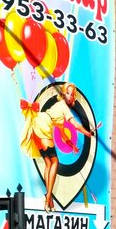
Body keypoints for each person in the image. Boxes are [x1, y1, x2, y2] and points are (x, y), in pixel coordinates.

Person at [20, 83, 97, 211]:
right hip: (43, 123)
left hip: (38, 124)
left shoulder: (60, 111)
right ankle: (48, 198)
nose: (70, 96)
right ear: (63, 93)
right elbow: (75, 125)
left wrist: (72, 146)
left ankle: (49, 200)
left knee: (48, 163)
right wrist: (88, 133)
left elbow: (63, 136)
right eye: (68, 93)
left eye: (72, 94)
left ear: (74, 97)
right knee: (54, 162)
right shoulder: (63, 107)